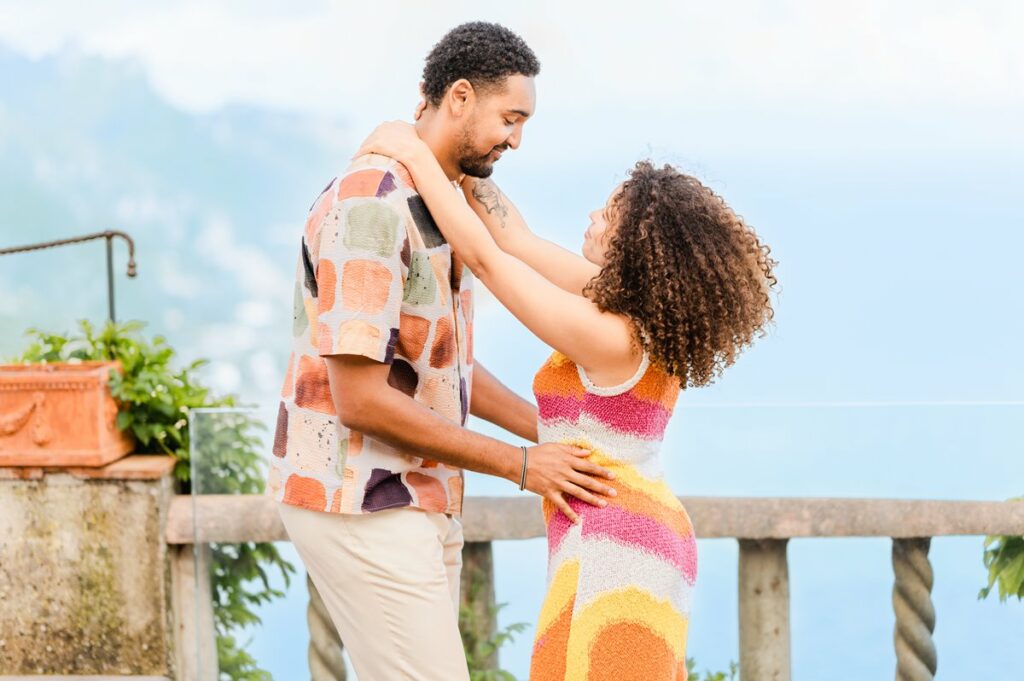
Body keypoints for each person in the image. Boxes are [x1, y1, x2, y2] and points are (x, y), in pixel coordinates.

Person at [355, 122, 778, 680]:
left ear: (633, 247)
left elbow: (486, 261)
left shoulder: (612, 334)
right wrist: (463, 159)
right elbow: (515, 241)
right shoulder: (630, 307)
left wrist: (414, 155)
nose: (592, 219)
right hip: (611, 525)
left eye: (607, 216)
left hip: (622, 542)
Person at [268, 23, 616, 681]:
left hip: (417, 495)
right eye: (510, 118)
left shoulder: (440, 199)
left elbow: (442, 368)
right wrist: (522, 464)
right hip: (359, 497)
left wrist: (549, 434)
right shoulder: (371, 206)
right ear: (459, 97)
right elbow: (362, 398)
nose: (516, 138)